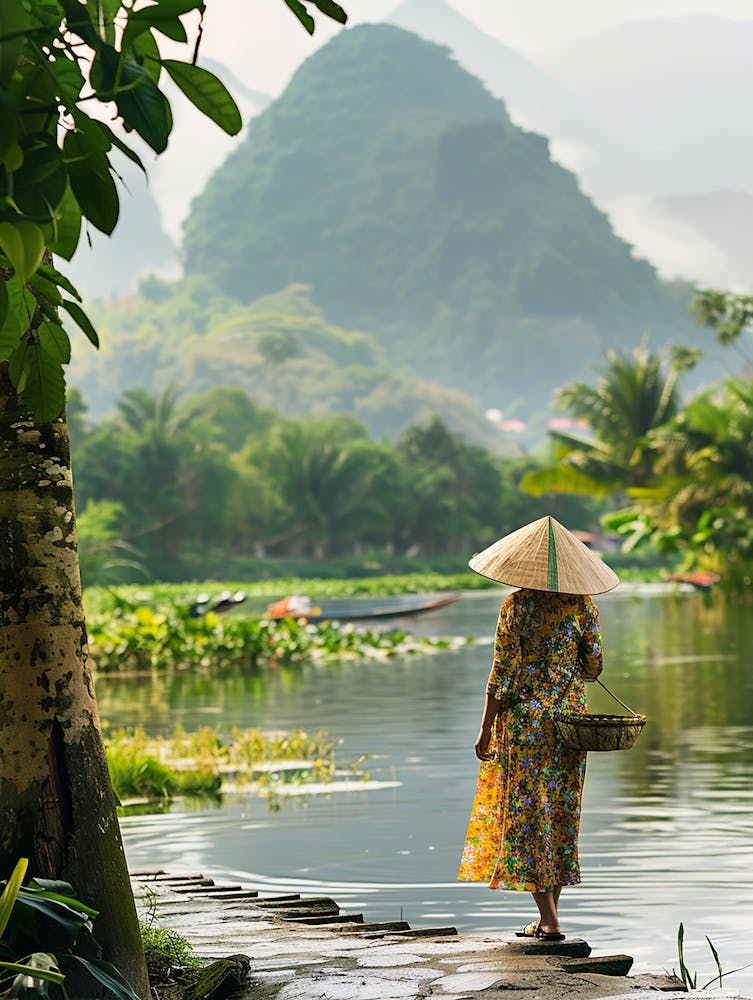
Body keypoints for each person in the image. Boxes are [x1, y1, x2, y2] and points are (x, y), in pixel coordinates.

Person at [458, 515, 619, 941]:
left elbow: (502, 675)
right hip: (569, 726)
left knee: (528, 819)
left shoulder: (516, 605)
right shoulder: (583, 604)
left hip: (527, 726)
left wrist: (486, 728)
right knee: (559, 816)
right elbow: (594, 666)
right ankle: (549, 917)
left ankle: (549, 920)